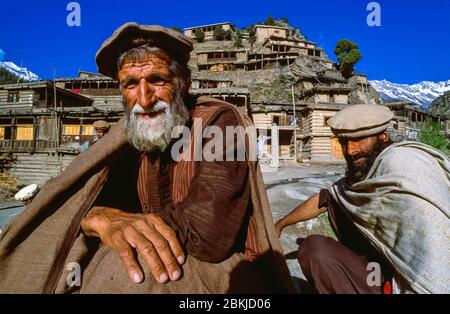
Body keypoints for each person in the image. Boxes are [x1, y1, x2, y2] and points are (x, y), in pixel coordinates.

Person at [0, 23, 293, 293]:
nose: (144, 97)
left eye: (157, 80)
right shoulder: (130, 133)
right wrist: (95, 217)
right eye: (130, 84)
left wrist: (126, 224)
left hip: (231, 268)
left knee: (128, 275)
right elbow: (91, 199)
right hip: (164, 257)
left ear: (184, 83)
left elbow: (207, 233)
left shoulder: (220, 122)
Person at [275, 104, 450, 294]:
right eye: (344, 142)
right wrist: (281, 224)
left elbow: (434, 247)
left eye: (358, 139)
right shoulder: (364, 176)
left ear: (383, 135)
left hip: (414, 285)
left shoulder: (401, 164)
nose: (350, 150)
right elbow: (328, 198)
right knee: (314, 248)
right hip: (380, 276)